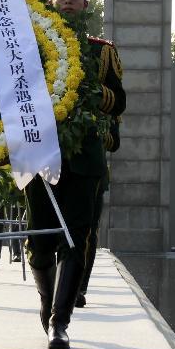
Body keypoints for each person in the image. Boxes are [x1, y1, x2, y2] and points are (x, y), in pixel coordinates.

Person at [26, 0, 126, 349]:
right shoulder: (30, 46)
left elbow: (119, 100)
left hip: (84, 157)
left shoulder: (101, 52)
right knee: (39, 240)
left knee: (76, 237)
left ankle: (60, 321)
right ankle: (47, 301)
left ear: (85, 2)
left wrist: (89, 92)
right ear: (50, 0)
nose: (68, 0)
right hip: (39, 154)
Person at [75, 115, 121, 309]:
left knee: (87, 232)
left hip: (93, 176)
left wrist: (96, 132)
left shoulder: (105, 99)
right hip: (60, 172)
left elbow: (114, 142)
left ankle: (78, 287)